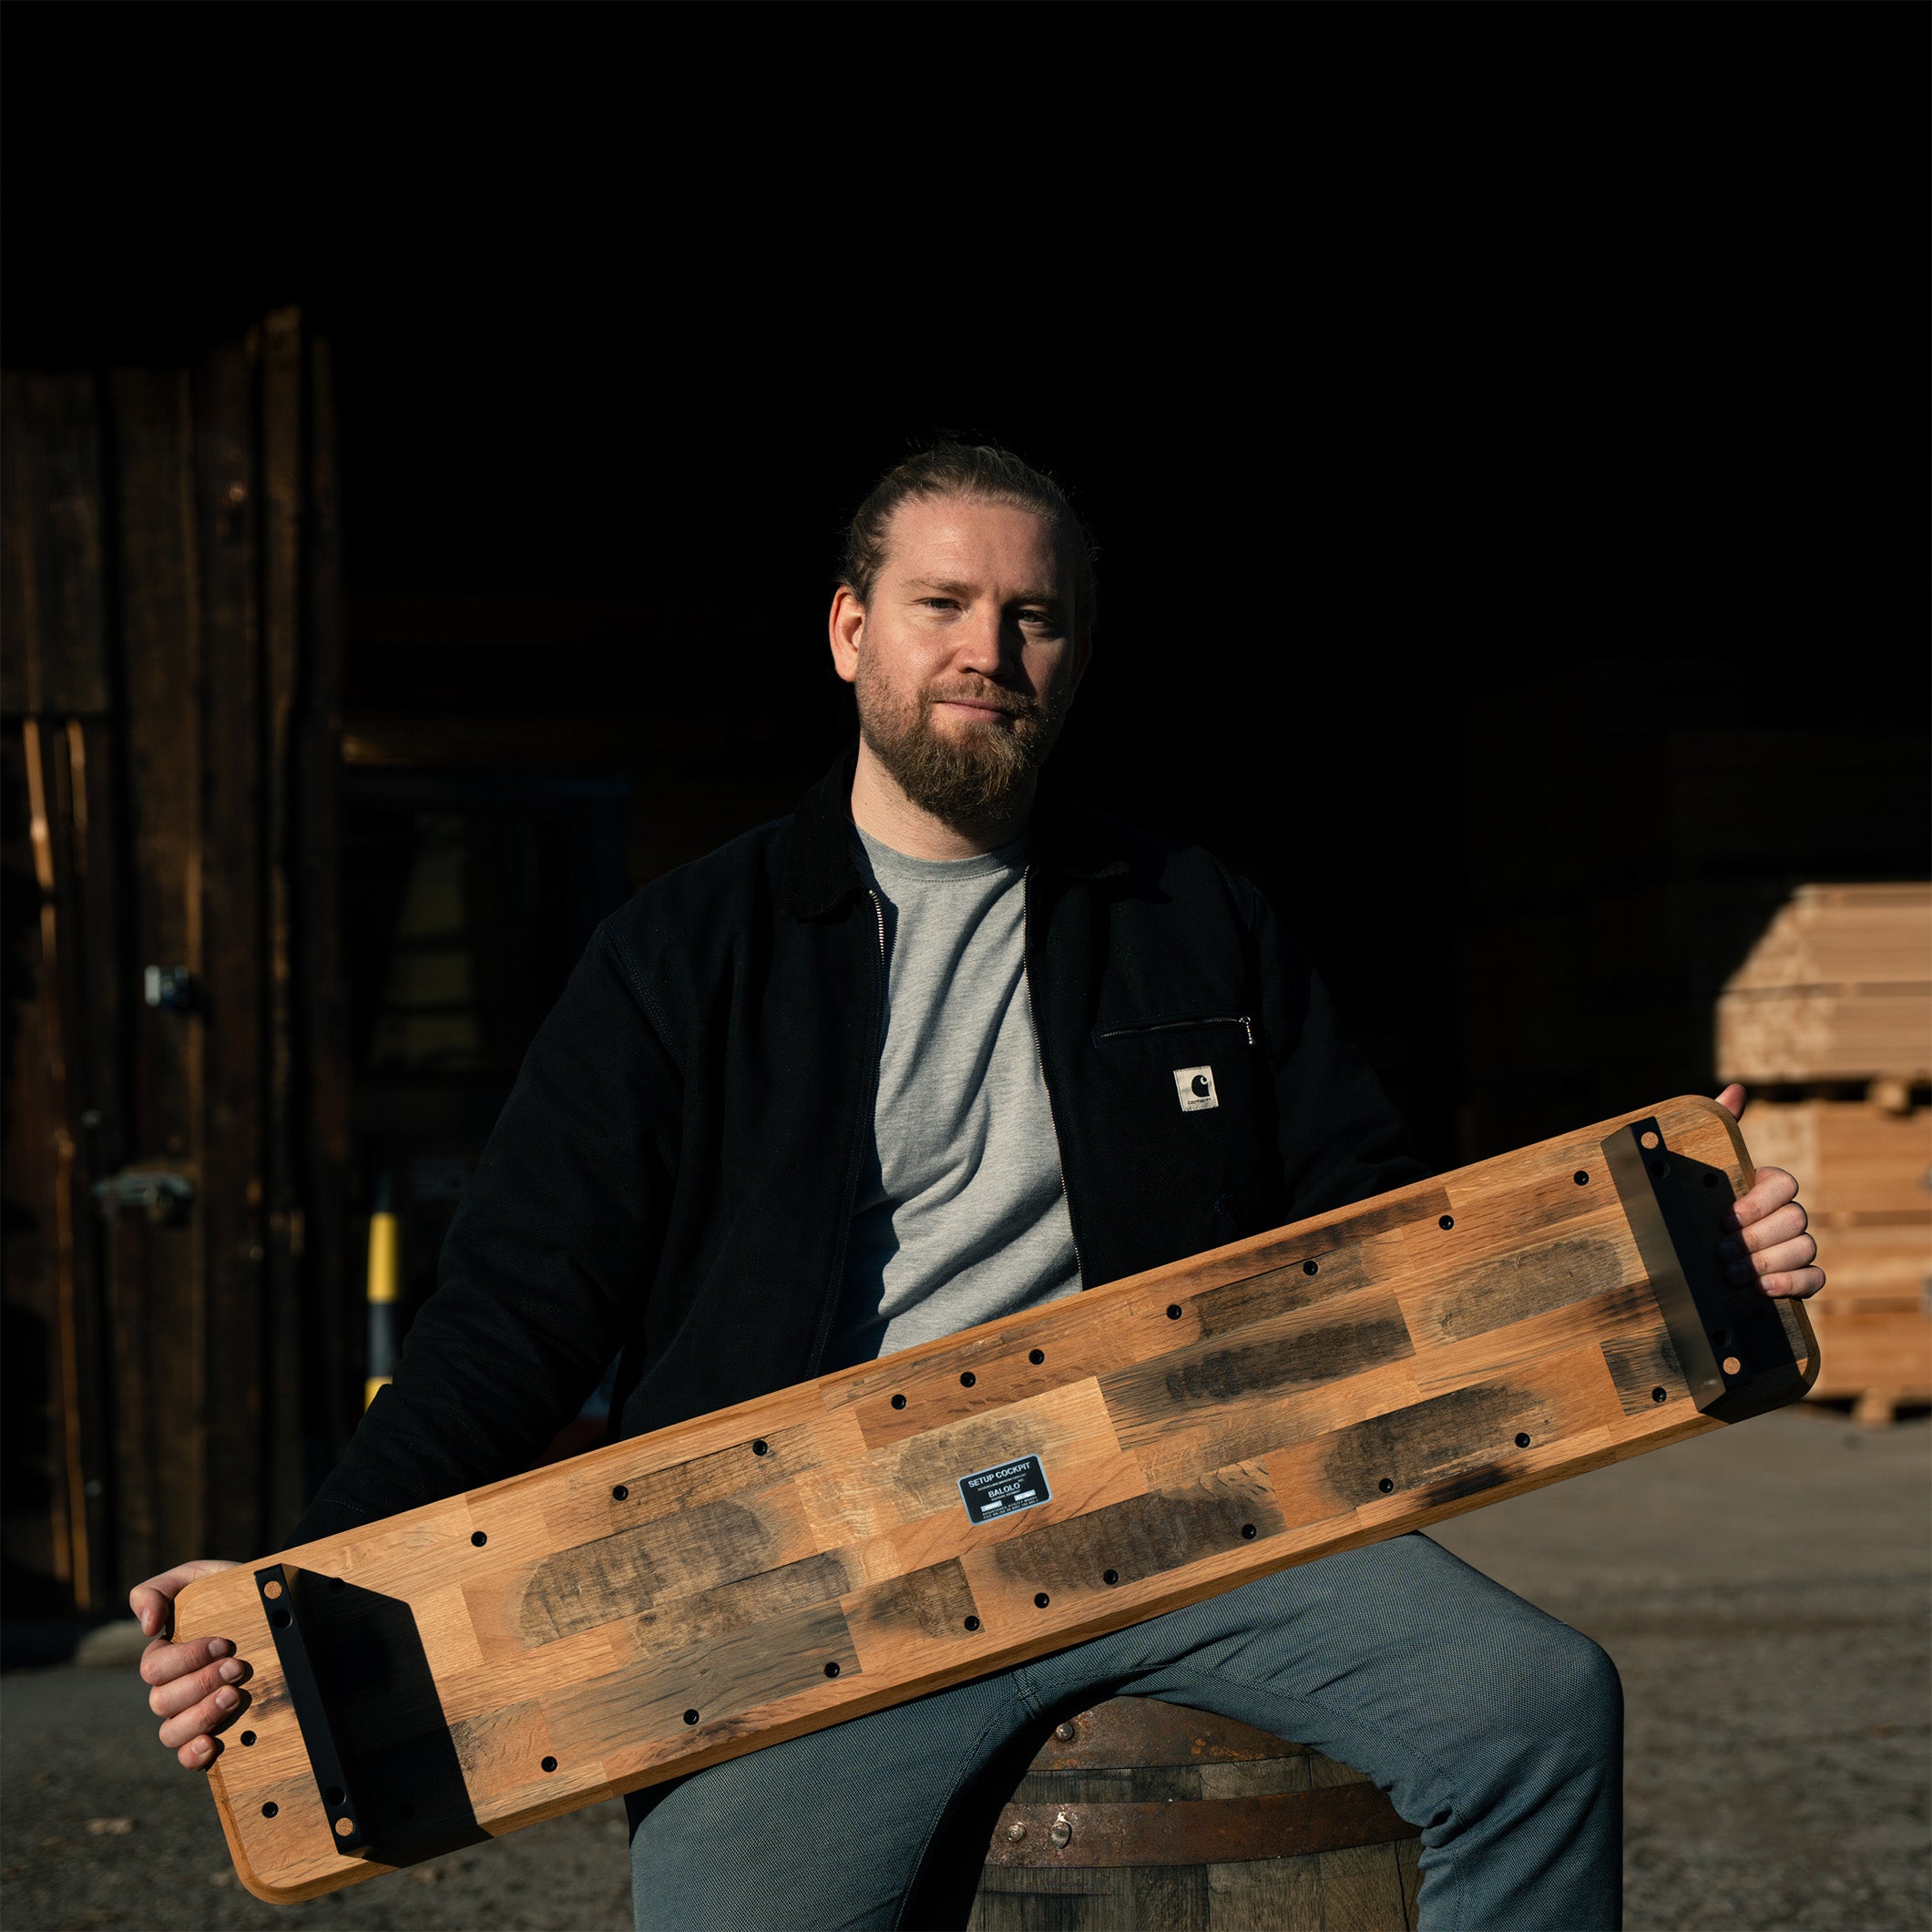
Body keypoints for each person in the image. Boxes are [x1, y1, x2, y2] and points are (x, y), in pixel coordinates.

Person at [130, 445, 1825, 1931]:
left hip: (1193, 1498)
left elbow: (1372, 1224)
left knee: (1536, 1704)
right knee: (722, 1896)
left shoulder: (1191, 914)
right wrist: (282, 1591)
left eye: (1032, 616)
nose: (987, 650)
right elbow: (514, 1311)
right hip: (806, 1573)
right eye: (941, 604)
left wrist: (1694, 1252)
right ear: (849, 631)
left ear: (1072, 652)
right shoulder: (683, 955)